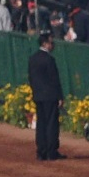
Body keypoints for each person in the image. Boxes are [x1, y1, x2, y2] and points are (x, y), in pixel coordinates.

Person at [28, 30, 63, 161]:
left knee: (41, 123)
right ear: (45, 43)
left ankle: (41, 151)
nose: (53, 45)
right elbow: (55, 80)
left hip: (38, 96)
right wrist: (60, 96)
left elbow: (31, 78)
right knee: (51, 124)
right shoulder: (49, 60)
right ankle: (51, 151)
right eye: (51, 42)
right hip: (50, 96)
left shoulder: (33, 58)